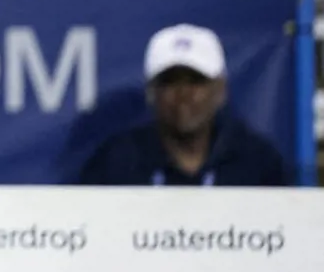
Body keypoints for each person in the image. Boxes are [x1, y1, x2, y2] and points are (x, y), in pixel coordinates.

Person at [78, 23, 287, 186]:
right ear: (151, 92)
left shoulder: (257, 163)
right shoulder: (116, 163)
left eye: (196, 81)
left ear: (220, 90)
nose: (183, 94)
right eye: (169, 81)